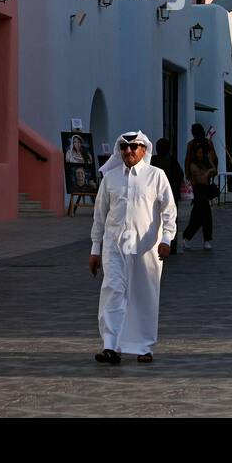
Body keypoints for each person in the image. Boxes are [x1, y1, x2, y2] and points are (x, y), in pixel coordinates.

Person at [89, 131, 177, 364]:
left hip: (146, 247)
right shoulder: (110, 178)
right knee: (113, 290)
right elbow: (99, 216)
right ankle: (111, 346)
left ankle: (143, 346)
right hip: (114, 245)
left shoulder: (156, 176)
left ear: (143, 149)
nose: (128, 151)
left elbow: (169, 210)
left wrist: (167, 239)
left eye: (134, 147)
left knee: (143, 294)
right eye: (124, 147)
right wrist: (95, 250)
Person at [179, 139, 216, 251]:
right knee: (205, 217)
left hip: (204, 193)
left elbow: (215, 170)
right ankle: (205, 240)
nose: (200, 155)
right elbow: (202, 179)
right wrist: (208, 171)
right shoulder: (193, 165)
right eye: (199, 153)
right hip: (199, 193)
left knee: (197, 218)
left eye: (202, 153)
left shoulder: (205, 163)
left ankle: (186, 237)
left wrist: (209, 161)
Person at [150, 139, 186, 254]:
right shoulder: (170, 160)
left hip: (158, 195)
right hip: (167, 195)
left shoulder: (154, 160)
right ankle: (170, 245)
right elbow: (180, 176)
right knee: (169, 219)